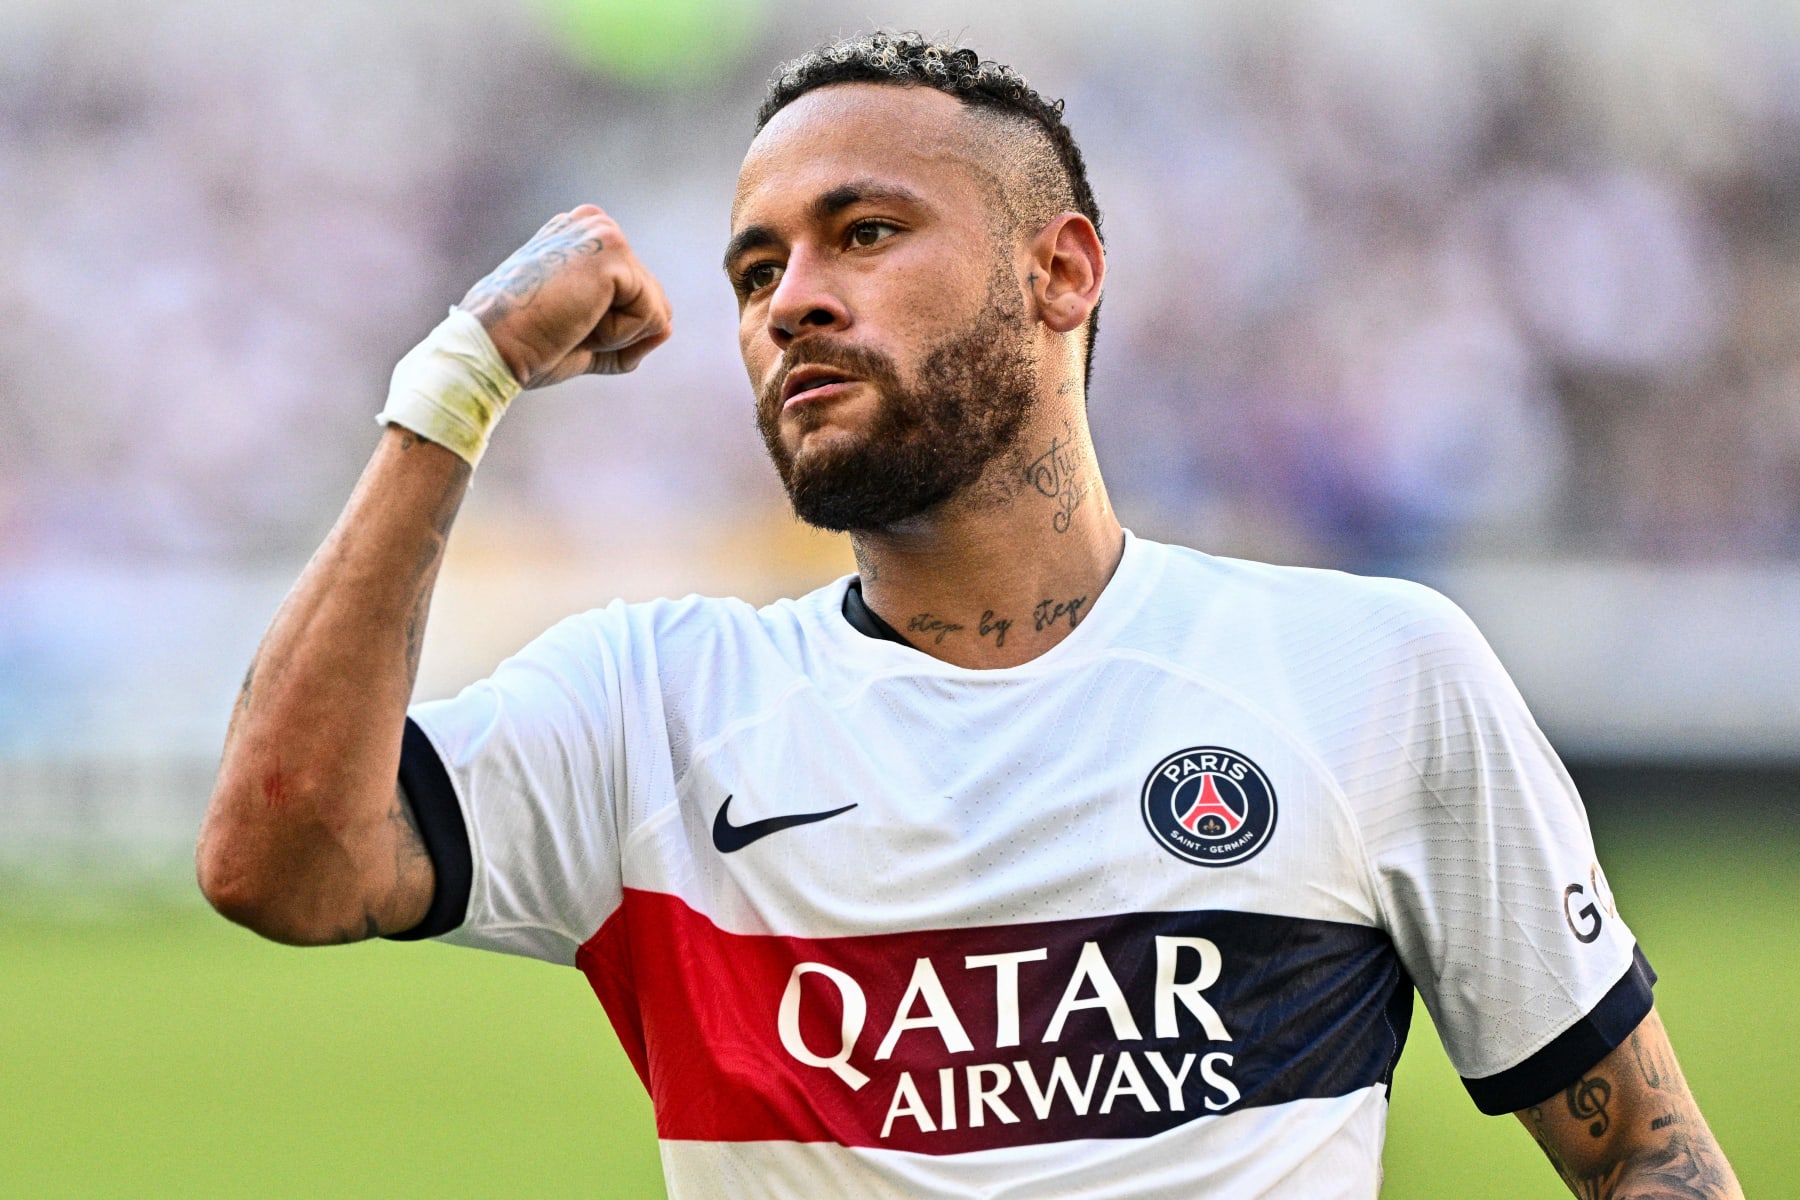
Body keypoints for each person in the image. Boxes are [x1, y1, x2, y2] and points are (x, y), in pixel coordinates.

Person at [196, 31, 1742, 1200]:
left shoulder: (1369, 674)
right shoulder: (650, 705)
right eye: (754, 268)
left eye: (862, 234)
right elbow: (283, 859)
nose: (790, 297)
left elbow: (1645, 1164)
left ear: (1060, 270)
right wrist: (455, 382)